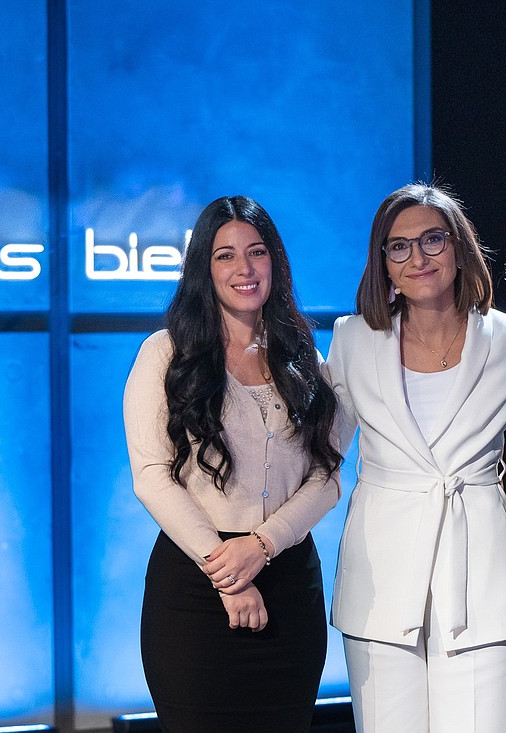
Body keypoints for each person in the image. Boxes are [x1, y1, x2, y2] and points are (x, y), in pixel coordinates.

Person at [123, 195, 342, 732]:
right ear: (204, 267)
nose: (244, 268)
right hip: (196, 591)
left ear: (276, 262)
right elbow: (152, 476)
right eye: (225, 255)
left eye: (257, 251)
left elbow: (327, 476)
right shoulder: (165, 354)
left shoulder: (305, 359)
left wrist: (262, 546)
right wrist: (228, 573)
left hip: (289, 584)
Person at [325, 183, 506, 732]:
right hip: (380, 579)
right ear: (383, 262)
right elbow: (320, 458)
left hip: (479, 577)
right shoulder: (351, 340)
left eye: (432, 240)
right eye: (399, 246)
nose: (418, 258)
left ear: (459, 248)